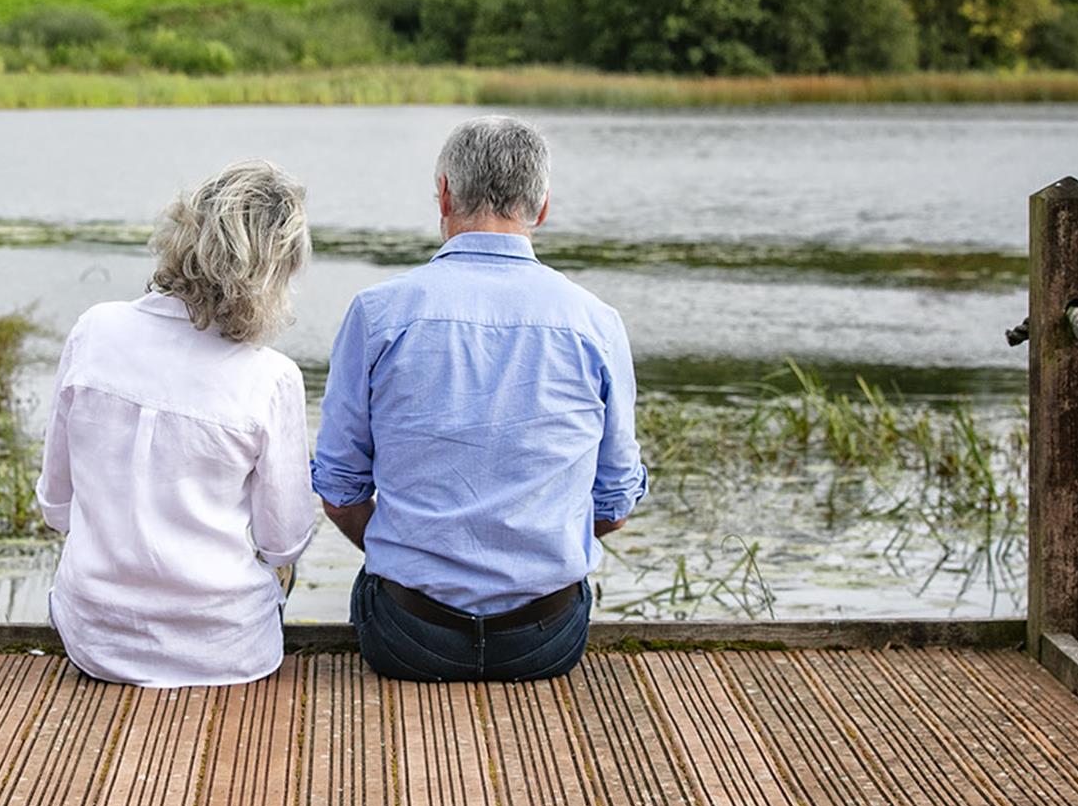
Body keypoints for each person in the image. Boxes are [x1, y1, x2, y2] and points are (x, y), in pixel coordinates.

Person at [311, 116, 648, 682]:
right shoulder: (596, 324)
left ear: (443, 193)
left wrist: (413, 551)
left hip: (406, 639)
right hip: (546, 644)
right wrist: (539, 538)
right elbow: (614, 505)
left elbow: (340, 493)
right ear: (542, 208)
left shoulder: (378, 313)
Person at [36, 160, 317, 688]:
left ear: (183, 234)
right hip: (228, 648)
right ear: (274, 271)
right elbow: (284, 543)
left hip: (95, 638)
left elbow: (56, 506)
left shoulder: (94, 331)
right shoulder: (271, 377)